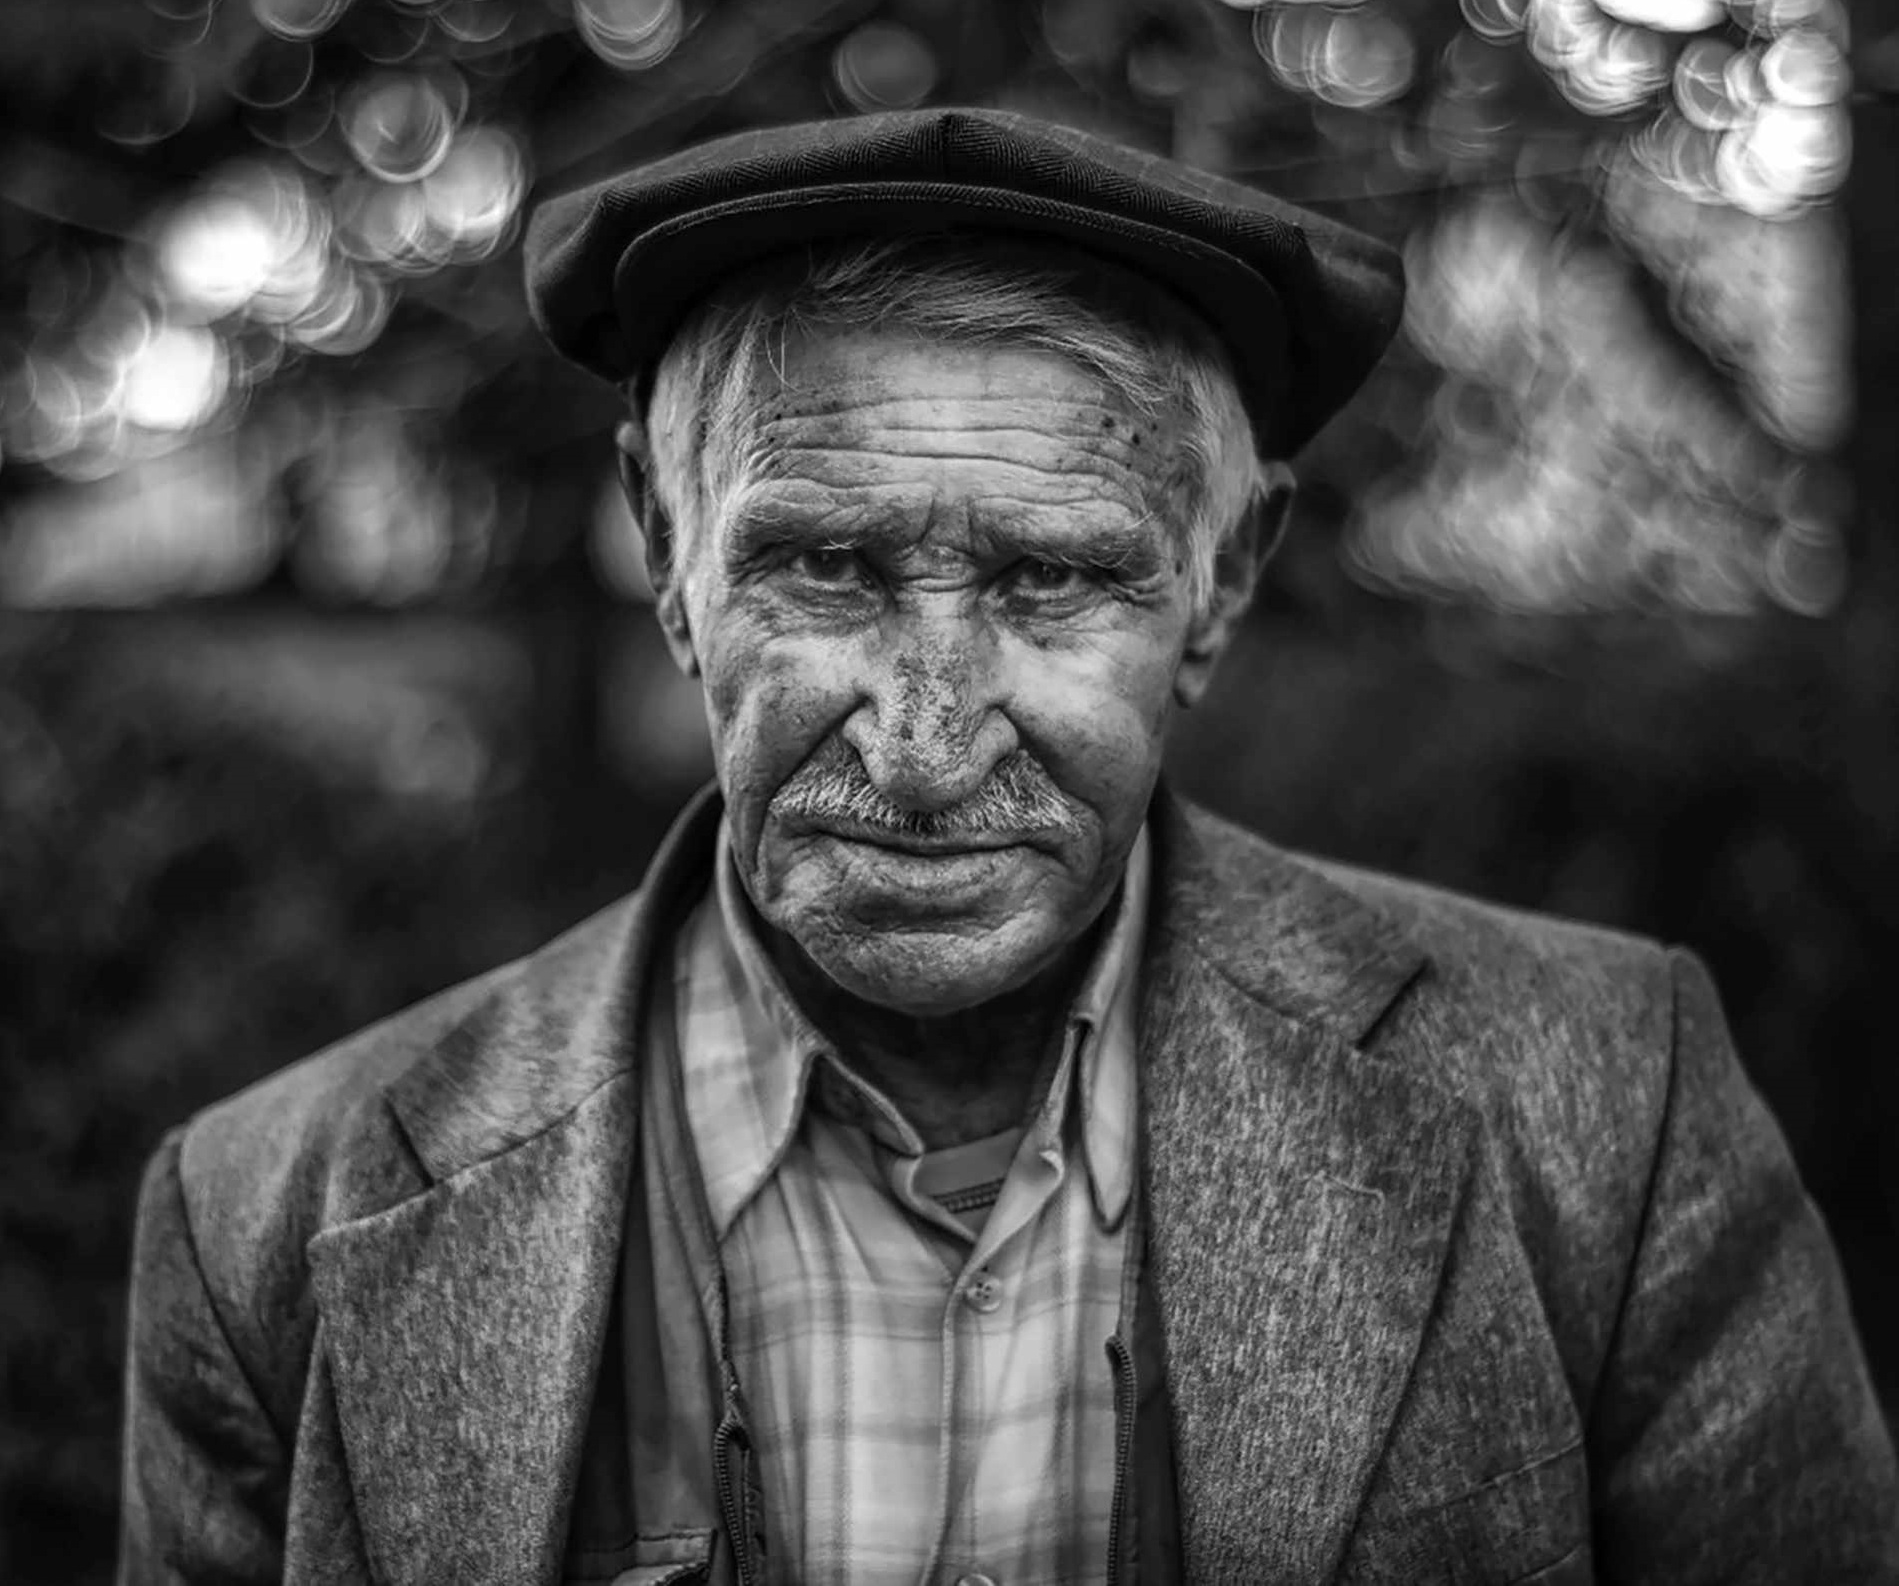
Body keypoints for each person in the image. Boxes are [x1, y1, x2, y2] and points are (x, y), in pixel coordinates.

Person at [119, 107, 1899, 1586]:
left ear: (1222, 583)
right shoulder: (268, 1221)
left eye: (1056, 580)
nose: (926, 736)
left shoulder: (1608, 1115)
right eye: (825, 565)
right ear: (667, 548)